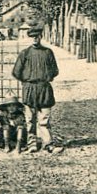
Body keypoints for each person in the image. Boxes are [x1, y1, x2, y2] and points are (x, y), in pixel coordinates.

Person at [12, 26, 64, 154]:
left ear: (41, 37)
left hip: (44, 88)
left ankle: (48, 143)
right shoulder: (25, 53)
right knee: (30, 119)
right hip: (29, 88)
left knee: (44, 118)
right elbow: (16, 72)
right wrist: (28, 80)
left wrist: (45, 77)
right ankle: (32, 144)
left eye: (37, 36)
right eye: (32, 37)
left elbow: (55, 70)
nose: (35, 39)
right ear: (29, 38)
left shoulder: (48, 52)